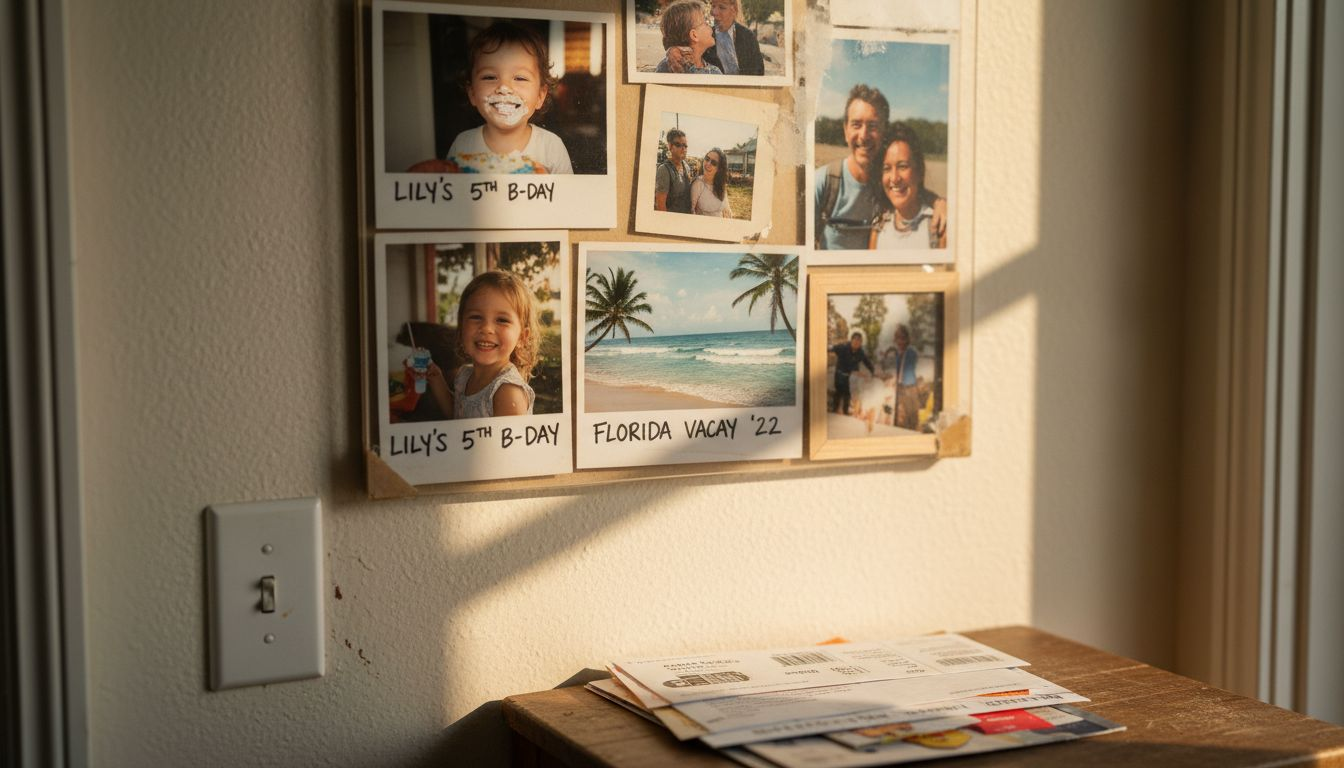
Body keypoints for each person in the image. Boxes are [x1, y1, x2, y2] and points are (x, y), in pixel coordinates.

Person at [446, 21, 573, 175]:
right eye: (490, 77)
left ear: (540, 96)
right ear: (472, 93)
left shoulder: (551, 147)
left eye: (520, 78)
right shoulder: (463, 145)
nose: (504, 88)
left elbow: (568, 198)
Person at [426, 270, 538, 418]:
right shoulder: (464, 375)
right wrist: (437, 380)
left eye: (502, 320)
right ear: (461, 328)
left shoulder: (507, 393)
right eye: (476, 317)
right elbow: (457, 417)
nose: (486, 328)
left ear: (522, 338)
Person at [814, 85, 887, 250]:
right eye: (856, 124)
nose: (864, 135)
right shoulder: (822, 183)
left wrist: (938, 203)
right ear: (845, 130)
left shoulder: (891, 186)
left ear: (884, 131)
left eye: (873, 126)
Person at [868, 123, 947, 249]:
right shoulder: (878, 230)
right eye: (886, 168)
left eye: (903, 166)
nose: (894, 178)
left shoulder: (939, 228)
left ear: (919, 171)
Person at [664, 0, 764, 76]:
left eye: (722, 7)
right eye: (713, 5)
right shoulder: (707, 36)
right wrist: (672, 49)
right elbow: (679, 38)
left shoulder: (747, 36)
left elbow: (758, 73)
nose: (713, 12)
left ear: (734, 10)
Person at [655, 0, 722, 76]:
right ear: (694, 35)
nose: (711, 25)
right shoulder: (671, 65)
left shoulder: (665, 66)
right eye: (706, 22)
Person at [884, 324, 920, 430]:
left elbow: (909, 366)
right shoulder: (899, 354)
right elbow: (897, 369)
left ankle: (913, 431)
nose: (899, 342)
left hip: (910, 386)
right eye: (897, 339)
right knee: (900, 414)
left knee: (912, 414)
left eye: (902, 339)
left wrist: (898, 352)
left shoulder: (911, 352)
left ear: (907, 339)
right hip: (901, 387)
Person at [830, 331, 874, 415]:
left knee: (847, 394)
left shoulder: (860, 352)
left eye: (859, 341)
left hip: (848, 376)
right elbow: (831, 348)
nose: (857, 342)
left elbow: (867, 362)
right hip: (839, 374)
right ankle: (834, 410)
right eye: (855, 339)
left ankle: (845, 412)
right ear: (851, 340)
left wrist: (872, 371)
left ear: (861, 343)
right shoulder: (843, 347)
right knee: (838, 392)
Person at [655, 128, 694, 213]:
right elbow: (660, 205)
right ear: (670, 146)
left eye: (685, 145)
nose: (683, 148)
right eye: (678, 145)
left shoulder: (686, 166)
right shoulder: (664, 170)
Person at [691, 148, 731, 217]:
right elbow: (691, 210)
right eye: (707, 159)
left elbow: (727, 209)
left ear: (719, 168)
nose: (708, 164)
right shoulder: (698, 184)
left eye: (714, 163)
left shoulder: (721, 184)